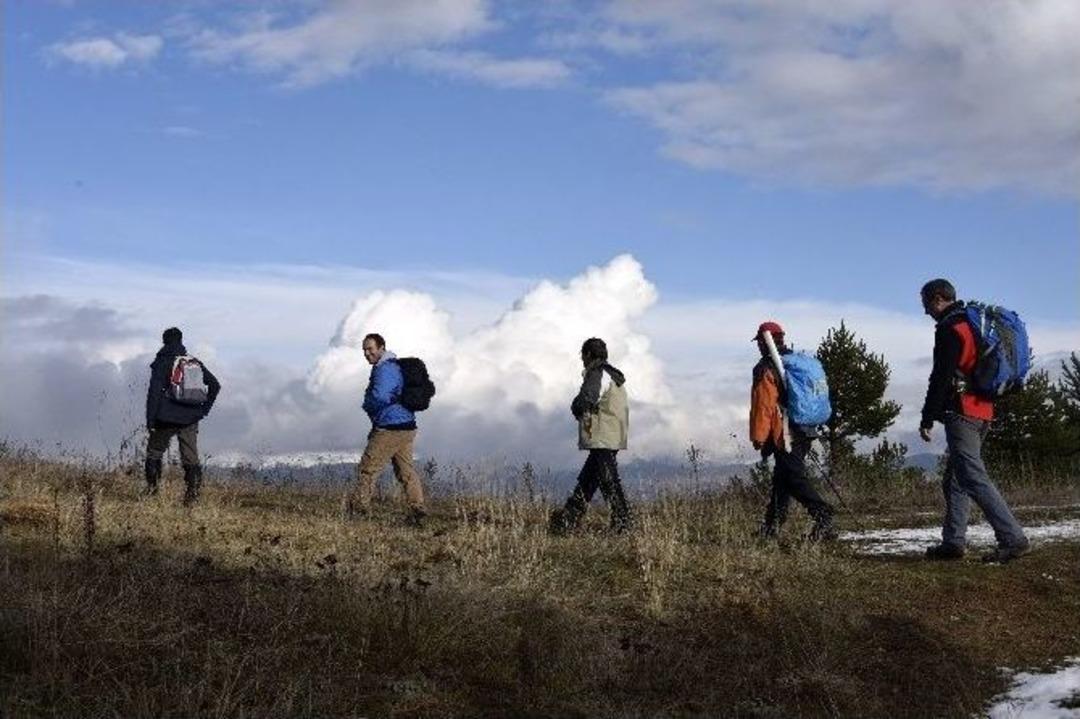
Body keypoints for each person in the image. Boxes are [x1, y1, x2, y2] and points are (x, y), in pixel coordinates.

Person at [919, 279, 1029, 563]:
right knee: (956, 479)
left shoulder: (950, 328)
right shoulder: (975, 324)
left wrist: (927, 417)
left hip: (962, 411)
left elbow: (940, 376)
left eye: (926, 304)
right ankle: (953, 542)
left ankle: (1012, 538)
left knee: (972, 475)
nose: (925, 311)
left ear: (938, 298)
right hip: (984, 411)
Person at [750, 321, 835, 541]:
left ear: (763, 341)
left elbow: (764, 405)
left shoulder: (767, 367)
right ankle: (770, 530)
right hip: (806, 428)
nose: (758, 346)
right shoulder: (796, 363)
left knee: (793, 478)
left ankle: (823, 515)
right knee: (782, 479)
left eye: (759, 342)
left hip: (786, 432)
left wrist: (759, 437)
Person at [550, 337, 632, 534]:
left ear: (587, 354)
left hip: (601, 434)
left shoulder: (596, 373)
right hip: (614, 434)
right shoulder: (613, 375)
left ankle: (623, 523)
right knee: (589, 478)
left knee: (607, 479)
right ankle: (568, 518)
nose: (582, 360)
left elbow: (588, 399)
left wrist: (576, 407)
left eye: (582, 356)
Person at [346, 333, 426, 525]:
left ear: (381, 348)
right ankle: (417, 509)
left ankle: (358, 510)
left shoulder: (384, 369)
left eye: (370, 349)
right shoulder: (394, 366)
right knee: (405, 471)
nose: (366, 353)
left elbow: (380, 397)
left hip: (390, 427)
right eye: (364, 350)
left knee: (368, 468)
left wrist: (367, 404)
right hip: (406, 425)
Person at [144, 327, 220, 505]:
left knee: (154, 453)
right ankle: (192, 497)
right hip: (190, 417)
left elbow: (154, 393)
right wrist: (203, 410)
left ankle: (152, 493)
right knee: (190, 457)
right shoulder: (193, 362)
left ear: (164, 341)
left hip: (165, 417)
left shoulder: (161, 362)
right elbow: (215, 385)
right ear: (181, 340)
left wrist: (150, 419)